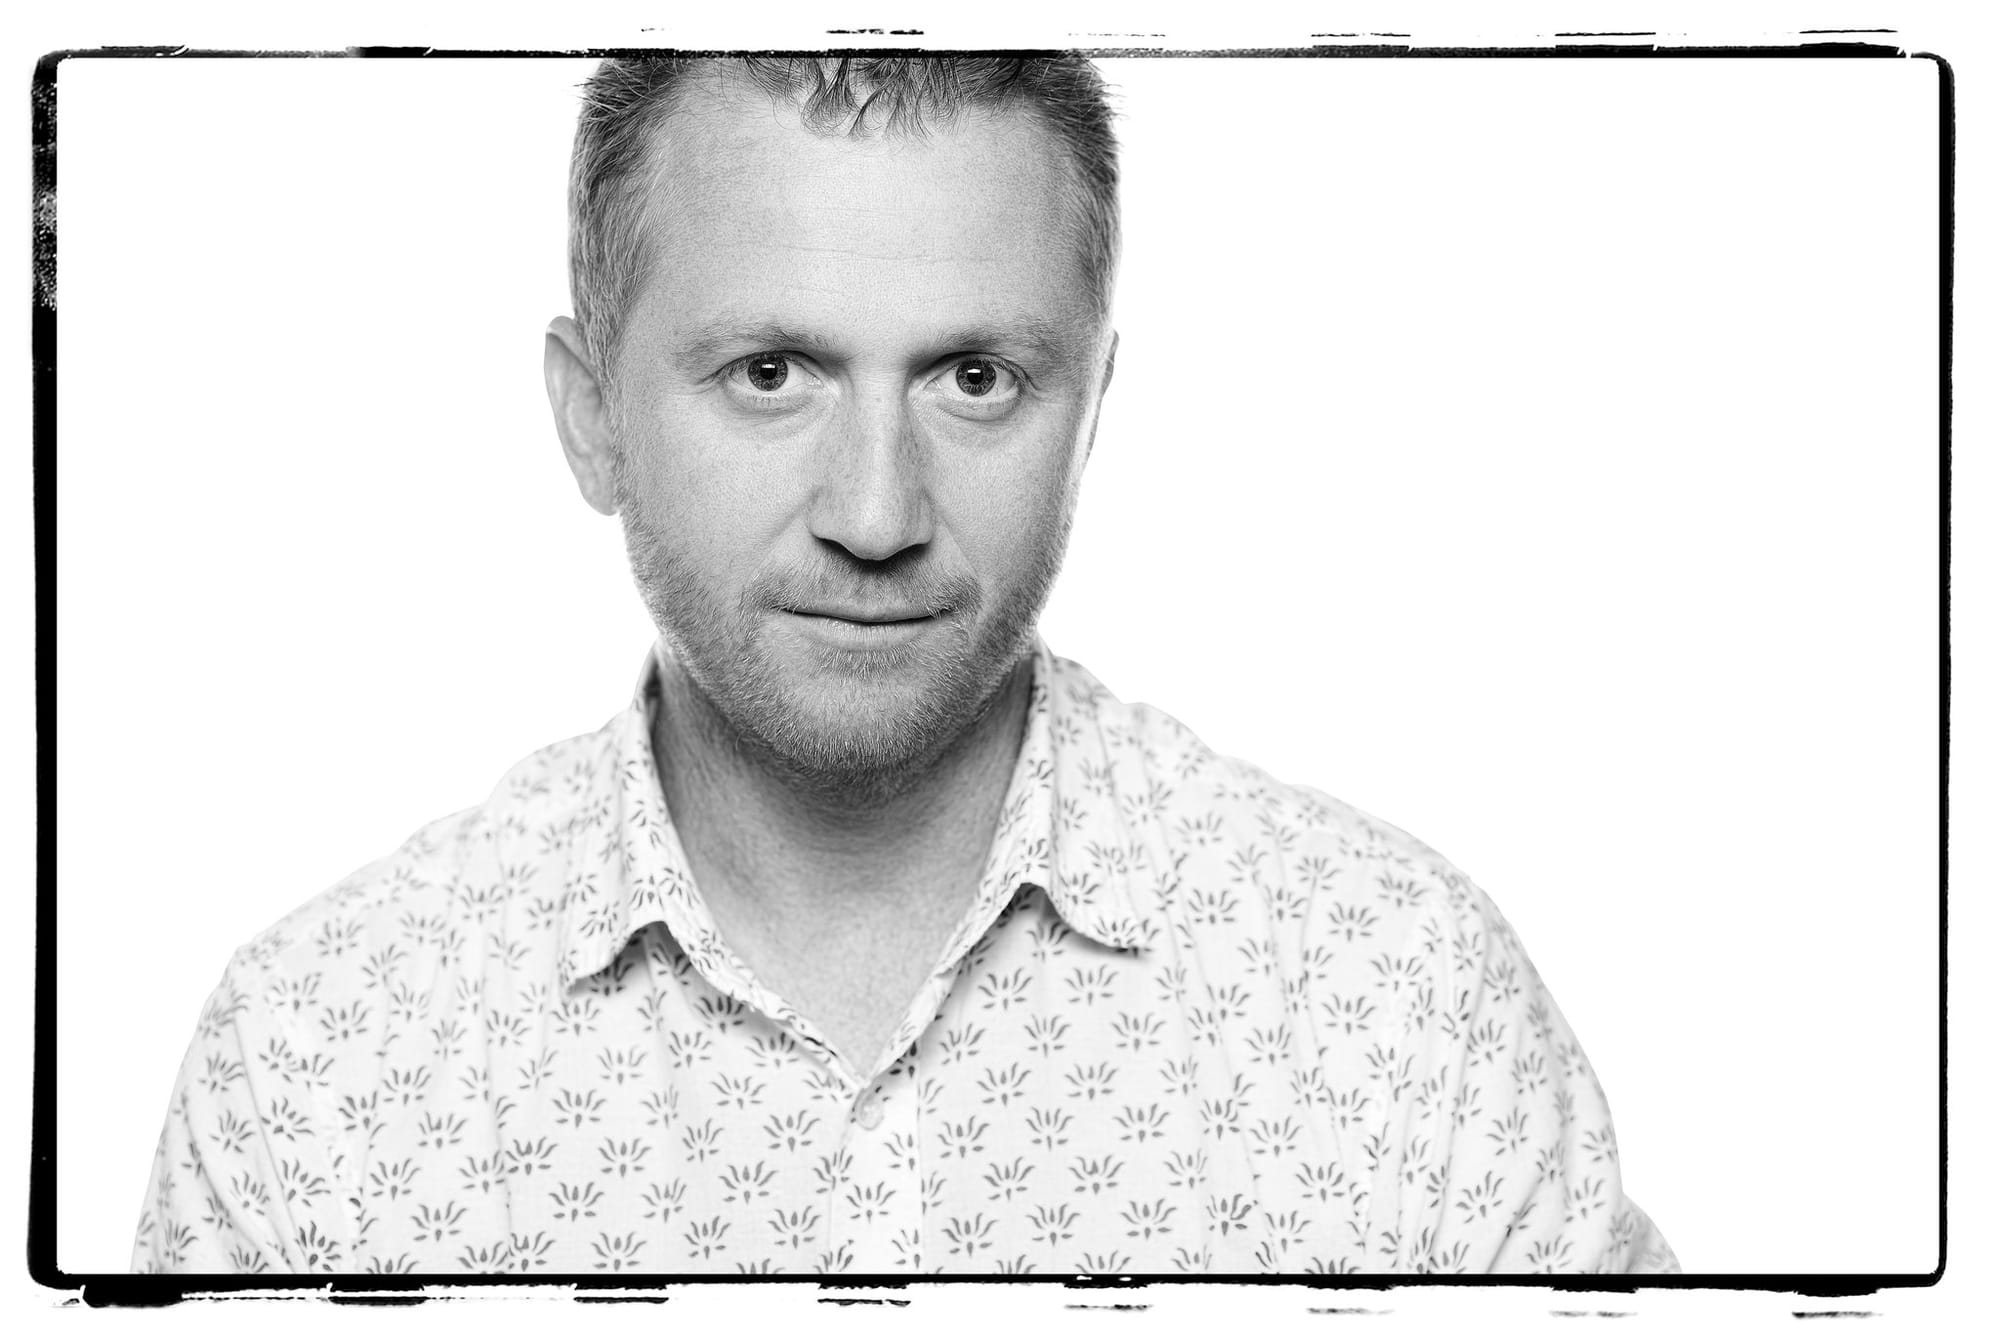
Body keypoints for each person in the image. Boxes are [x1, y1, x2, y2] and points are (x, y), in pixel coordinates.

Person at [132, 54, 1677, 1277]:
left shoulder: (1400, 1012)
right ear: (591, 413)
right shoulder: (318, 1066)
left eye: (975, 378)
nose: (876, 514)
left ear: (1092, 411)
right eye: (771, 373)